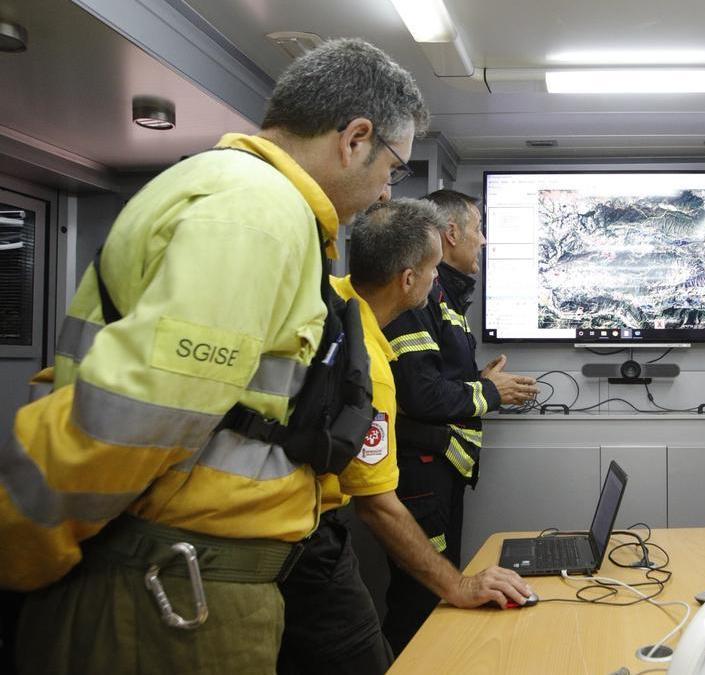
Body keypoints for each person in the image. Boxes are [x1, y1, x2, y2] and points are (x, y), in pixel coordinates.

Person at [0, 38, 426, 673]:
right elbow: (137, 411)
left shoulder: (255, 203)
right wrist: (20, 554)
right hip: (161, 593)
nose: (387, 193)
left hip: (177, 579)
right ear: (356, 137)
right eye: (393, 168)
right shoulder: (255, 212)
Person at [277, 199, 531, 675]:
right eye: (433, 270)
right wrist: (459, 586)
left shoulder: (330, 297)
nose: (438, 283)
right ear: (408, 279)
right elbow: (378, 505)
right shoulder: (370, 371)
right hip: (302, 538)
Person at [381, 189, 540, 652]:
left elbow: (437, 380)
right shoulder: (419, 294)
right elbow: (418, 392)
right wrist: (490, 392)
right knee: (421, 597)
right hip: (420, 473)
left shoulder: (446, 296)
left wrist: (478, 380)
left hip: (441, 470)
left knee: (436, 590)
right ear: (452, 234)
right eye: (479, 230)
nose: (484, 242)